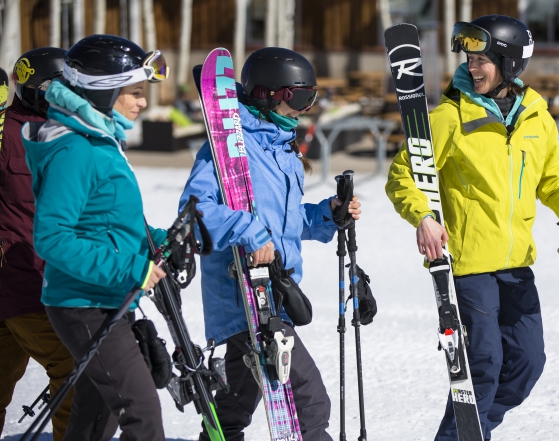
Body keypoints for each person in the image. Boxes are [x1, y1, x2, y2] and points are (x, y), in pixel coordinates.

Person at [385, 15, 559, 441]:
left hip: (516, 264)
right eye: (469, 57)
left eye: (483, 58)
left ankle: (473, 432)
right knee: (482, 366)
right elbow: (403, 175)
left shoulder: (536, 118)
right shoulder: (450, 116)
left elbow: (552, 180)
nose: (473, 66)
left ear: (509, 63)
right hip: (468, 267)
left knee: (527, 363)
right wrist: (424, 218)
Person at [179, 47, 361, 441]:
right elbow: (194, 212)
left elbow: (287, 222)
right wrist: (249, 231)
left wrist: (329, 213)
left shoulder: (282, 150)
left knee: (235, 402)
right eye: (298, 96)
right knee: (308, 399)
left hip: (273, 291)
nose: (304, 107)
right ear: (266, 94)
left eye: (310, 97)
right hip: (243, 295)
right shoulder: (228, 147)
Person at [21, 35, 170, 441]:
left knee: (96, 413)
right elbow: (52, 238)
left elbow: (108, 221)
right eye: (135, 92)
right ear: (103, 92)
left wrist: (162, 239)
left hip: (106, 296)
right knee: (141, 411)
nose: (142, 102)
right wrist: (132, 267)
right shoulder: (76, 151)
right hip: (83, 304)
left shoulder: (100, 143)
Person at [0, 46, 79, 441]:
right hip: (24, 282)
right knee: (73, 368)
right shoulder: (6, 134)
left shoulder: (67, 136)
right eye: (59, 88)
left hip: (44, 279)